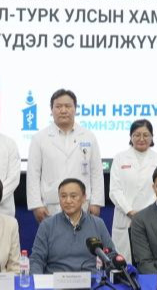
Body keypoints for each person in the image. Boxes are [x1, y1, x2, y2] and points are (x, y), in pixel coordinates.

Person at [27, 89, 105, 223]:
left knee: (82, 236)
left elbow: (96, 172)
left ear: (75, 109)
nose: (63, 110)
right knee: (53, 236)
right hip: (51, 204)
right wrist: (36, 204)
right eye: (58, 106)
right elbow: (33, 174)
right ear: (51, 110)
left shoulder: (88, 136)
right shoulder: (39, 138)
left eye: (68, 106)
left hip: (83, 204)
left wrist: (96, 202)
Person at [110, 119, 157, 261]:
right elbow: (115, 190)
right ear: (130, 137)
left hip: (151, 217)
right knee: (123, 263)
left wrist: (144, 214)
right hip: (125, 218)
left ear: (152, 137)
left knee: (149, 263)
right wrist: (130, 211)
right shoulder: (119, 158)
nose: (141, 139)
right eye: (137, 135)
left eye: (146, 135)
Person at [30, 178, 114, 274]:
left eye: (73, 196)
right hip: (55, 279)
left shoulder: (98, 224)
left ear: (84, 198)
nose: (68, 201)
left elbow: (111, 255)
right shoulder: (47, 225)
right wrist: (37, 280)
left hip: (91, 279)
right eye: (63, 196)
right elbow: (36, 259)